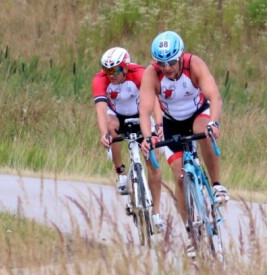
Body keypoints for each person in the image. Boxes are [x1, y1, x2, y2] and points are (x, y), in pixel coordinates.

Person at [139, 31, 230, 250]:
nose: (167, 67)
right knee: (179, 178)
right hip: (171, 124)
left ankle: (217, 186)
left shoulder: (194, 64)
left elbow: (214, 97)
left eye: (171, 61)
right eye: (162, 63)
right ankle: (191, 234)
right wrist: (147, 136)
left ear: (180, 57)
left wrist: (214, 123)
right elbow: (144, 109)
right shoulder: (153, 74)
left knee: (203, 131)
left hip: (198, 113)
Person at [92, 47, 165, 232]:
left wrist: (158, 124)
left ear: (125, 67)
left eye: (115, 70)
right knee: (110, 126)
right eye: (107, 70)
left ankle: (156, 212)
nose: (111, 75)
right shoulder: (100, 80)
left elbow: (155, 101)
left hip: (141, 115)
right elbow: (101, 108)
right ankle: (121, 172)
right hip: (116, 115)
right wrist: (104, 134)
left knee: (153, 163)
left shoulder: (139, 73)